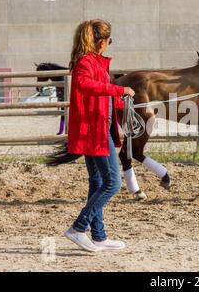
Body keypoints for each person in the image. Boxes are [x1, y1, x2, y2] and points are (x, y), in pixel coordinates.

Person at [63, 19, 135, 252]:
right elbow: (86, 85)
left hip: (98, 127)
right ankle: (78, 227)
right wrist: (119, 89)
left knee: (97, 183)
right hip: (94, 131)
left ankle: (99, 236)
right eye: (109, 41)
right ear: (101, 42)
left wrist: (122, 102)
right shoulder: (85, 63)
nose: (109, 45)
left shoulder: (95, 62)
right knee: (112, 183)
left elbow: (100, 95)